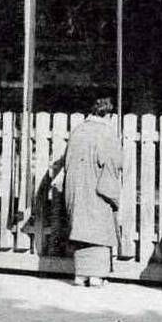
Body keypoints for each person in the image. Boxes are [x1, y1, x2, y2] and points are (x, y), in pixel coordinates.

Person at [63, 93, 123, 288]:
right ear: (109, 115)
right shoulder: (106, 133)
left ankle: (80, 275)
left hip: (76, 187)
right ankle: (96, 276)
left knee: (80, 228)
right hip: (97, 188)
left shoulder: (78, 131)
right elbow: (114, 163)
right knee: (98, 230)